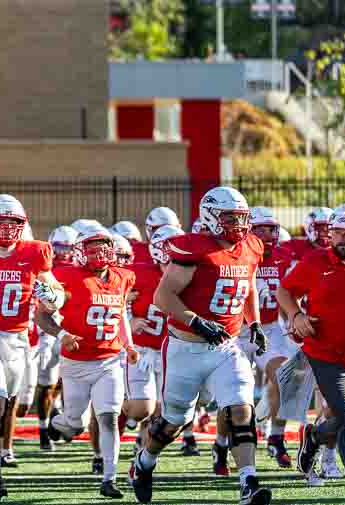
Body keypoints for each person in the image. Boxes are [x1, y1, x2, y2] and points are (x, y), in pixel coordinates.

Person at [129, 187, 272, 505]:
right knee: (174, 422)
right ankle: (145, 462)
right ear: (211, 217)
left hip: (226, 347)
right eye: (230, 218)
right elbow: (162, 296)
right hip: (186, 349)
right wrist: (196, 321)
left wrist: (255, 323)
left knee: (241, 409)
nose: (238, 225)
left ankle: (248, 482)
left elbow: (247, 285)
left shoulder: (251, 246)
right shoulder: (194, 249)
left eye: (241, 218)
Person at [0, 194, 62, 499]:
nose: (6, 229)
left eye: (13, 223)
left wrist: (54, 295)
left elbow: (54, 288)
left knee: (2, 408)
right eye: (0, 222)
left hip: (17, 339)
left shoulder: (35, 252)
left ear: (23, 224)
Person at [276, 209, 345, 505]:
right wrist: (296, 315)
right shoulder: (314, 261)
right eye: (337, 232)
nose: (341, 239)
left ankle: (315, 437)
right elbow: (286, 290)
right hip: (326, 353)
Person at [37, 224, 139, 500]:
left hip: (109, 361)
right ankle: (58, 424)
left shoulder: (123, 277)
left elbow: (120, 315)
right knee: (76, 423)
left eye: (103, 249)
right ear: (80, 253)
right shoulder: (66, 277)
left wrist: (128, 345)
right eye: (92, 250)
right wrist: (62, 334)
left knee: (108, 418)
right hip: (76, 362)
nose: (98, 254)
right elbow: (42, 317)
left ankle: (109, 478)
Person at [124, 225, 184, 455]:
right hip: (141, 349)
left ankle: (143, 446)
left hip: (173, 350)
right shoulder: (138, 272)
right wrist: (130, 318)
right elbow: (110, 297)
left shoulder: (191, 275)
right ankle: (114, 404)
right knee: (141, 408)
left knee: (162, 409)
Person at [245, 207, 296, 469]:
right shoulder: (236, 256)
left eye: (270, 228)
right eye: (260, 228)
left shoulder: (284, 258)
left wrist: (294, 318)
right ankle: (221, 443)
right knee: (234, 397)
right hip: (237, 331)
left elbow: (291, 293)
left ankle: (276, 437)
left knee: (286, 375)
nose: (267, 234)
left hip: (268, 328)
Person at [35, 225, 77, 451]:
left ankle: (59, 420)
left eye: (69, 248)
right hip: (49, 331)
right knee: (46, 383)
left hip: (70, 329)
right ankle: (43, 429)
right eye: (60, 247)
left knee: (64, 381)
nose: (65, 253)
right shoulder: (44, 268)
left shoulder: (81, 268)